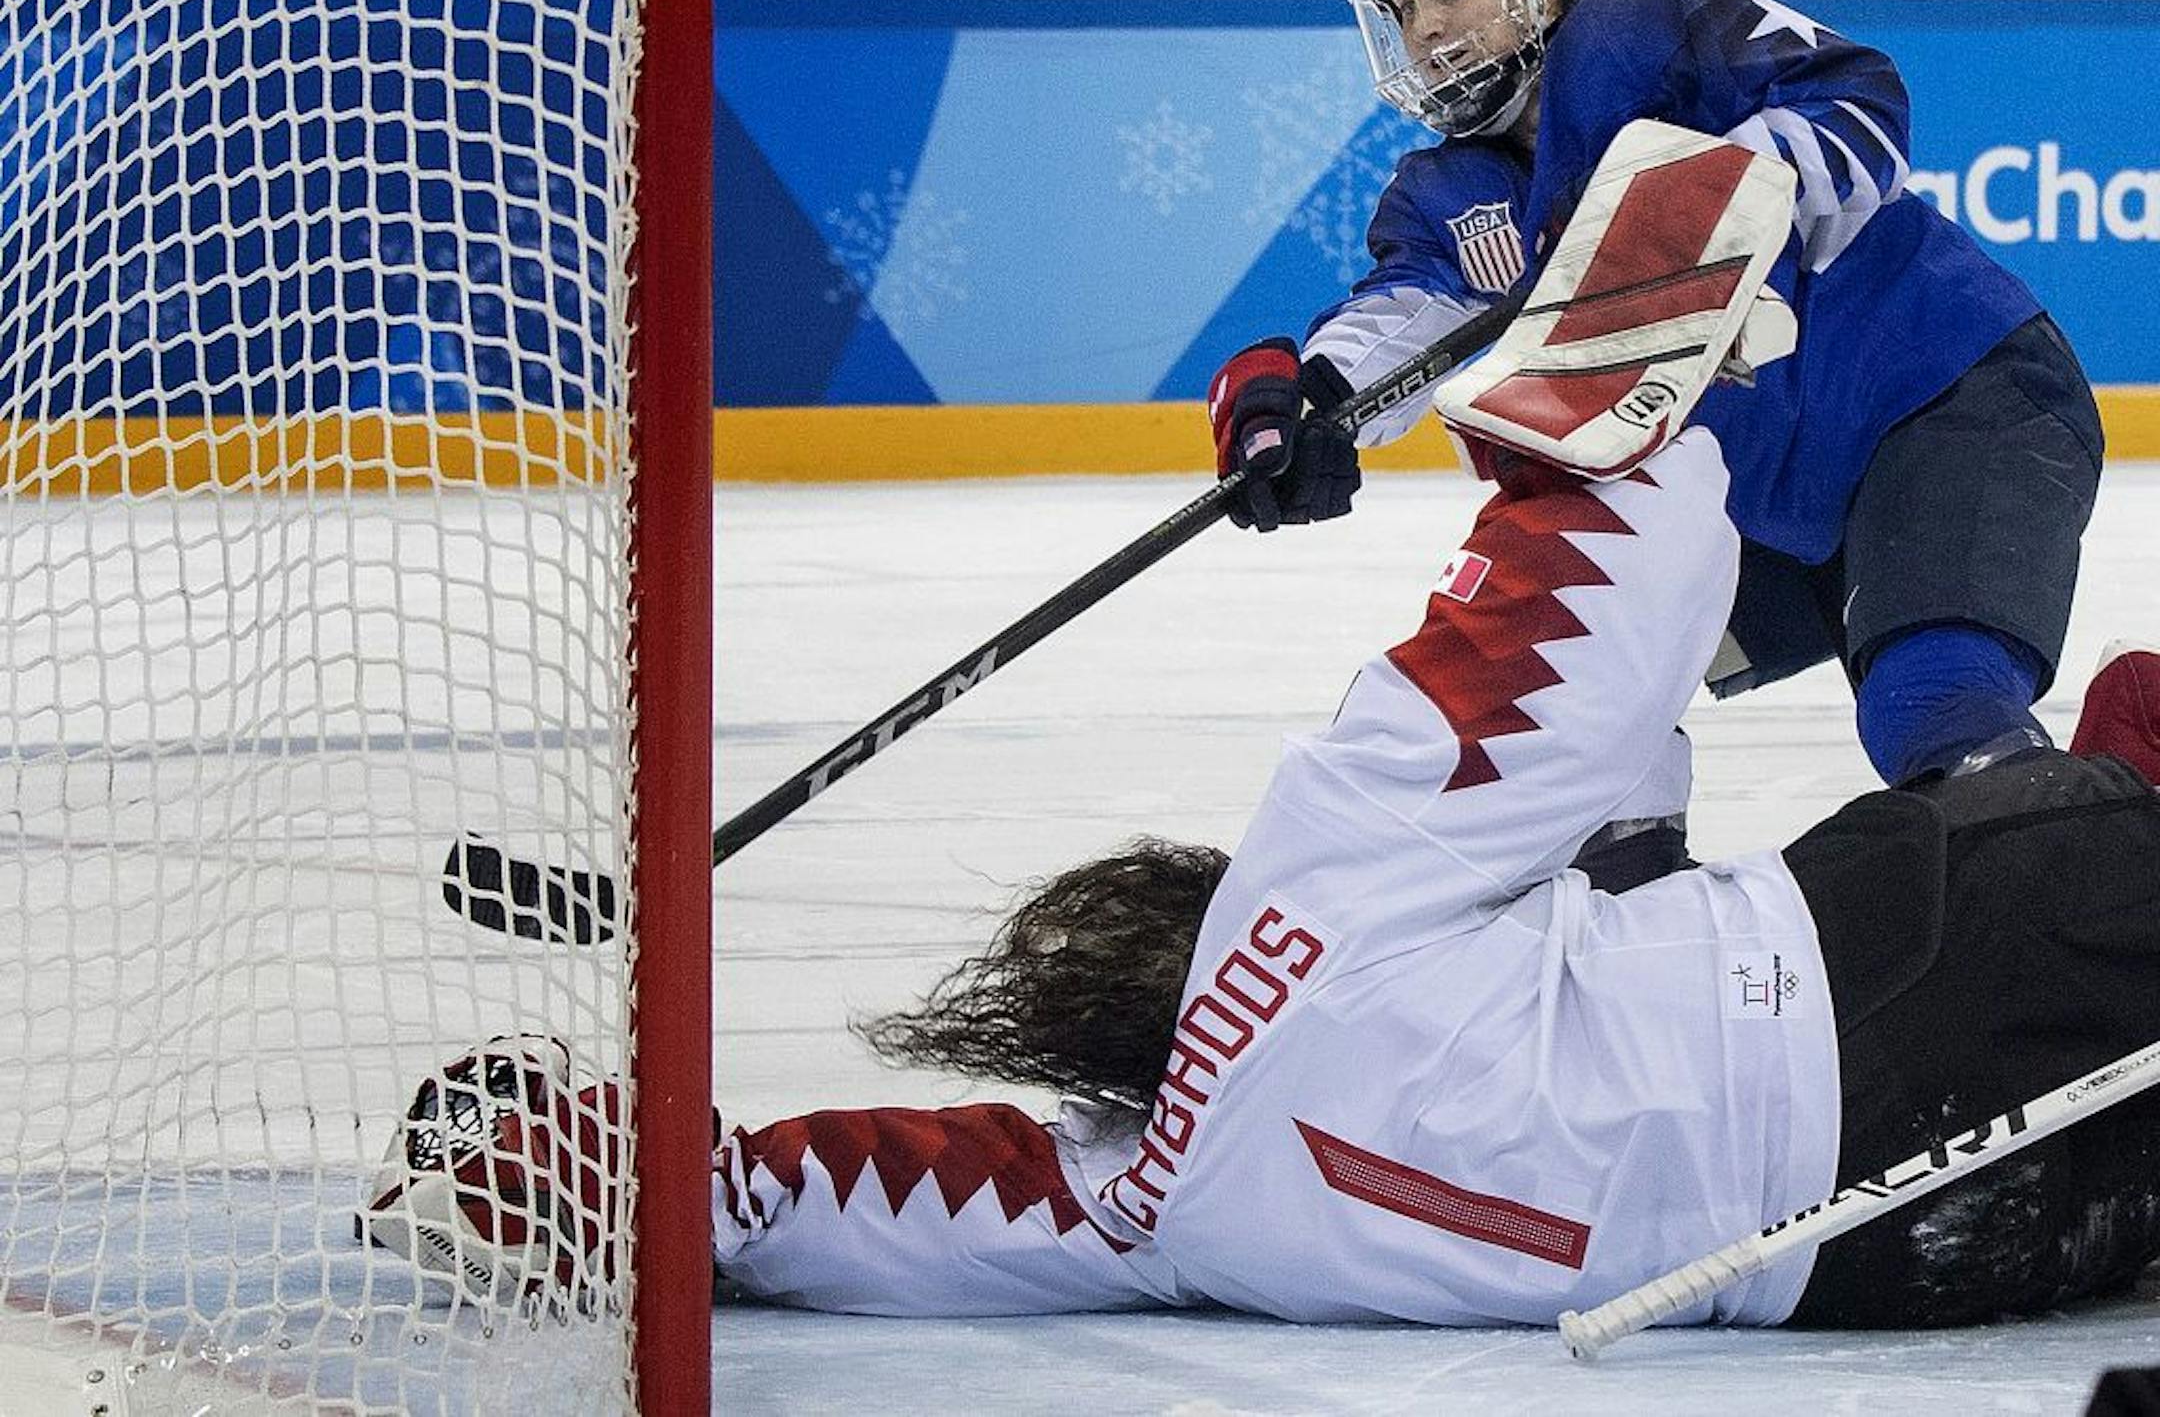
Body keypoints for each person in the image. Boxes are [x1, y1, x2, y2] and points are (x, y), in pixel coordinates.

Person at [375, 434, 2160, 1327]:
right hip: (1897, 966)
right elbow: (1557, 647)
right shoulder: (1310, 902)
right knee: (2133, 737)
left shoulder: (1164, 1207)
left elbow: (858, 1199)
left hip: (1896, 1250)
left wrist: (603, 1181)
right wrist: (1626, 382)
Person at [1206, 0, 2102, 791]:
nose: (1427, 31)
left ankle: (2103, 871)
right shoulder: (1448, 190)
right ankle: (1626, 914)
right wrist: (1297, 406)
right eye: (1403, 9)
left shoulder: (1642, 19)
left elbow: (1861, 106)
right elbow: (1401, 323)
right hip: (1775, 499)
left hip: (1947, 398)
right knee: (1568, 700)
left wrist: (1705, 196)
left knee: (1935, 712)